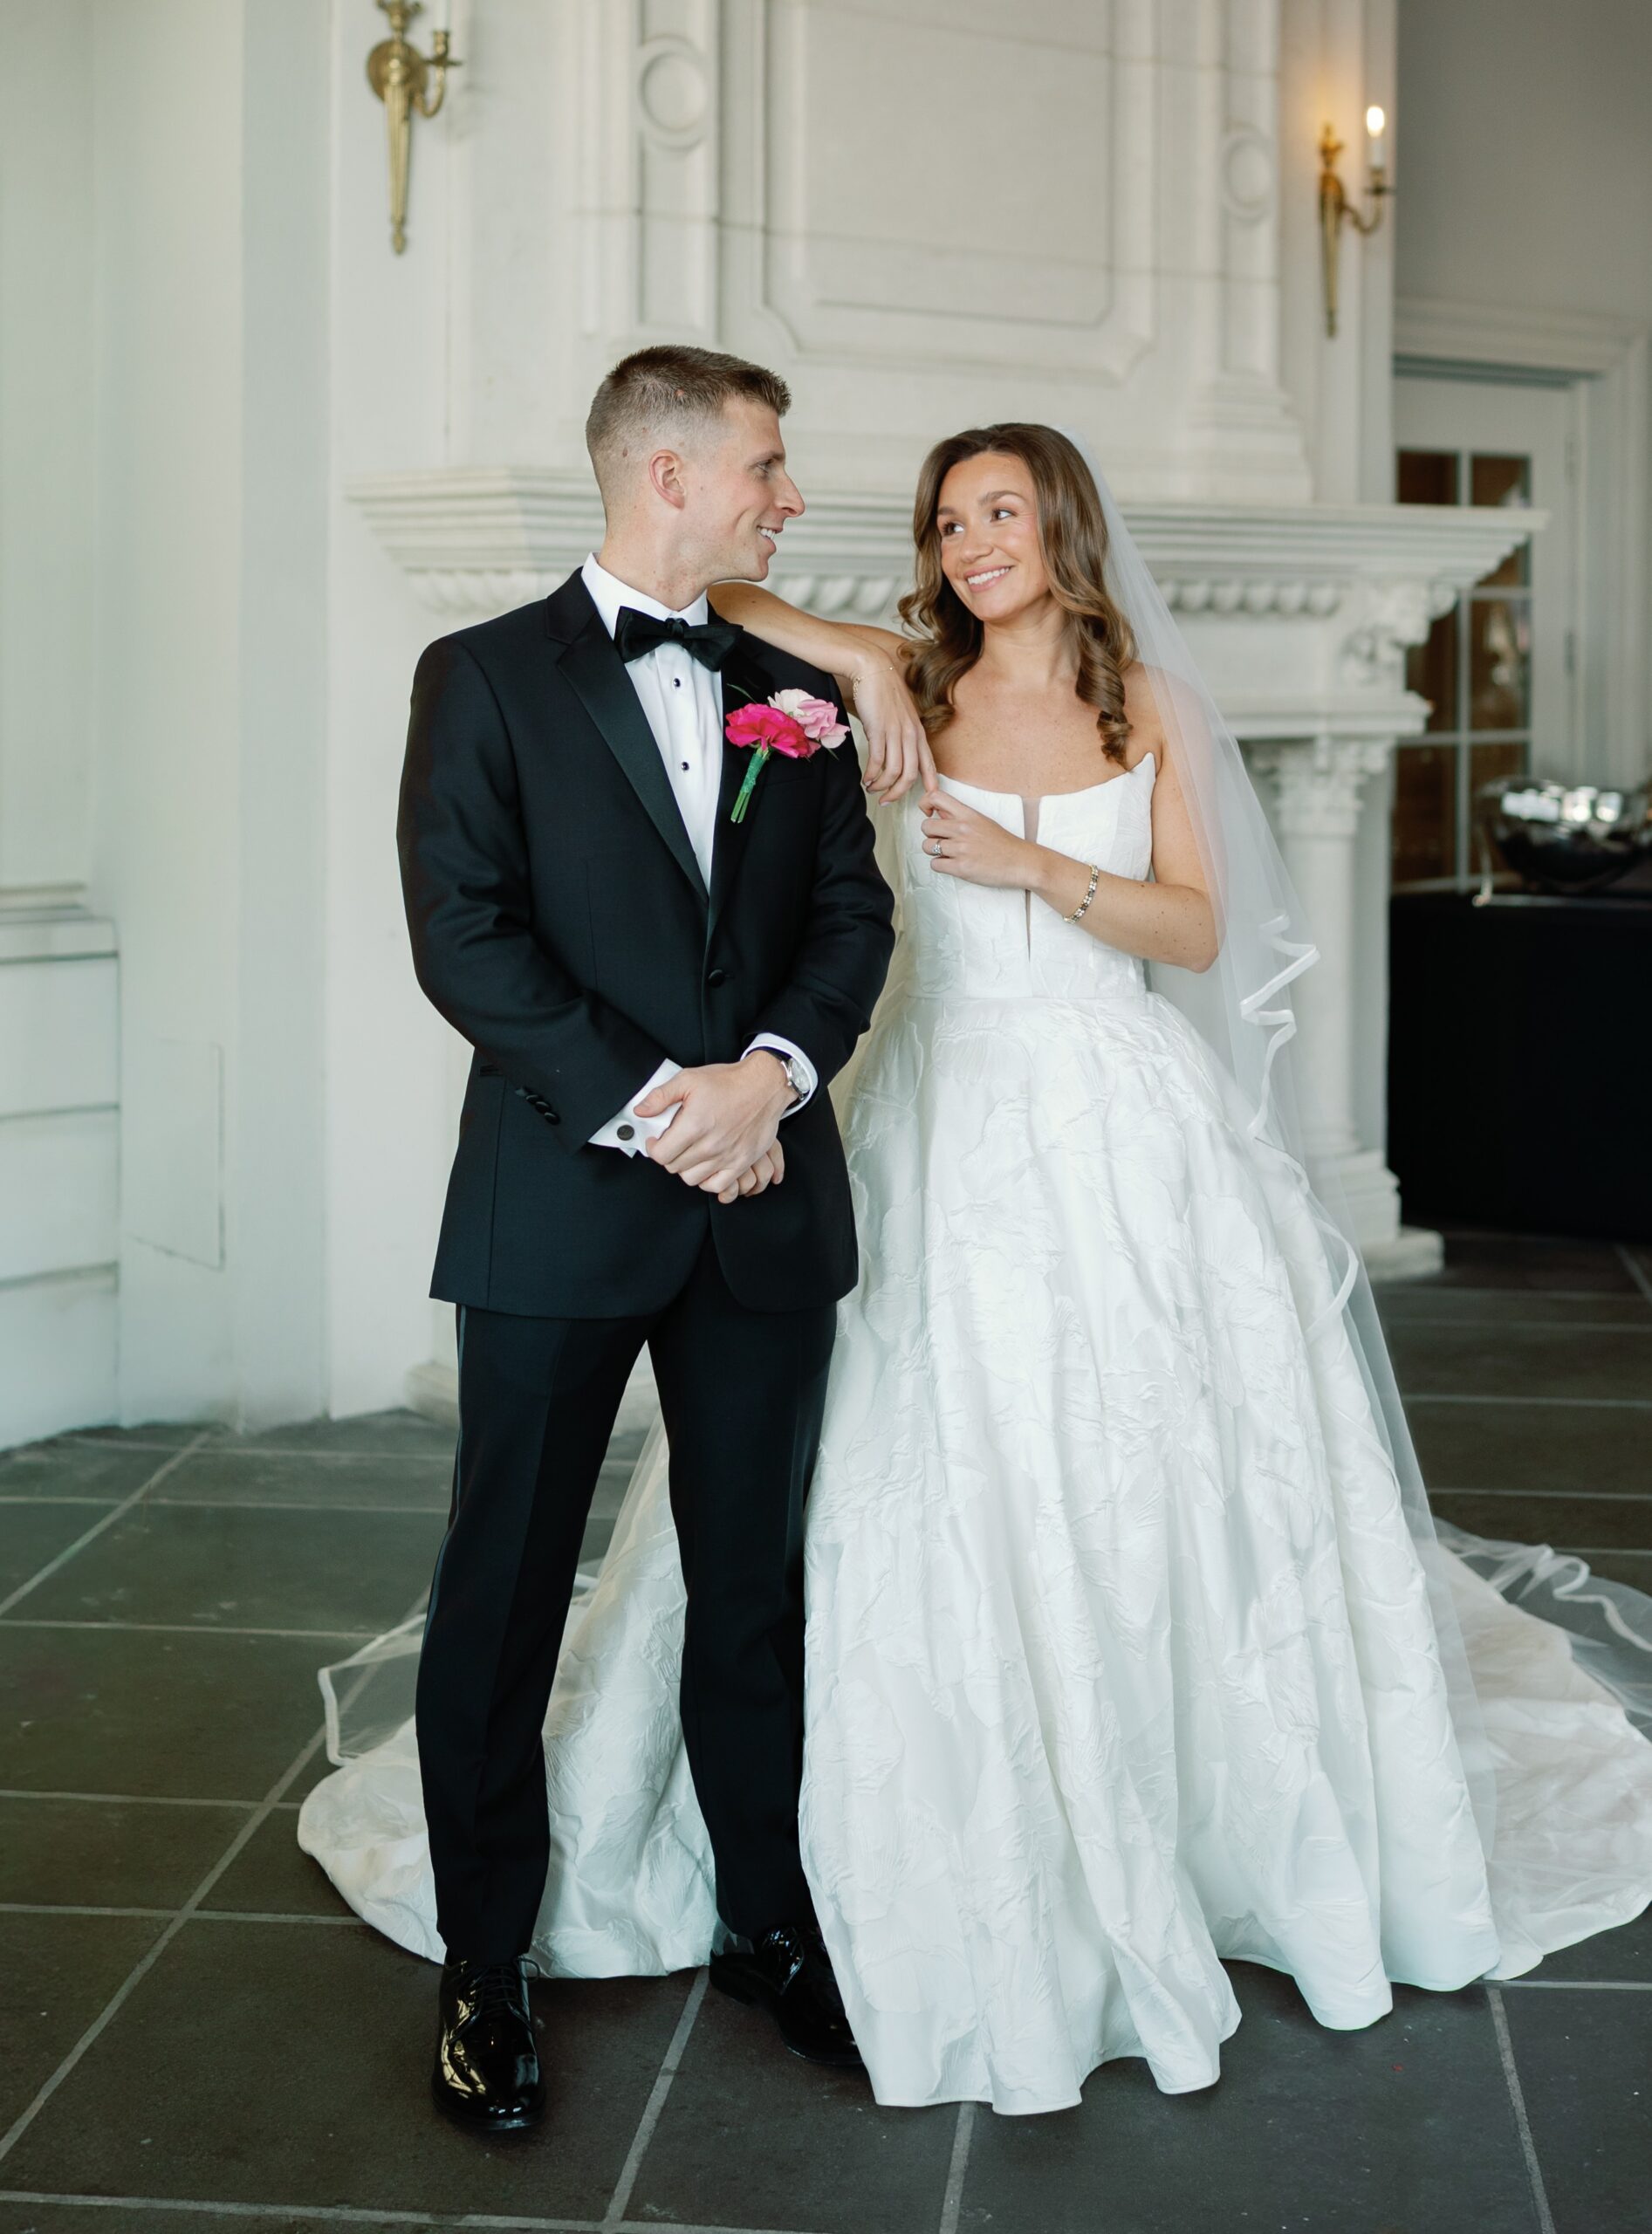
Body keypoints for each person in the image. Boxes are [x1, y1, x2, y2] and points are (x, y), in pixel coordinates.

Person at [304, 420, 1652, 2118]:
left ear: (1062, 522)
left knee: (1093, 1489)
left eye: (999, 512)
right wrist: (838, 641)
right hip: (906, 1121)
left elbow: (1176, 926)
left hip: (1106, 1127)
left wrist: (1027, 875)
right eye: (946, 521)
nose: (968, 543)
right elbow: (691, 616)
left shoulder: (1144, 705)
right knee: (790, 1504)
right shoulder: (889, 687)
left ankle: (1071, 1835)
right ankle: (616, 1917)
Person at [387, 343, 898, 2132]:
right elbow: (462, 934)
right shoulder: (481, 675)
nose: (789, 496)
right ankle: (482, 1955)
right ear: (669, 474)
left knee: (750, 1583)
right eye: (767, 465)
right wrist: (663, 1104)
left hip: (764, 1204)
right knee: (505, 1589)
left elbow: (849, 918)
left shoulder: (794, 691)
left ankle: (766, 1918)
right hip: (560, 1198)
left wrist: (771, 1077)